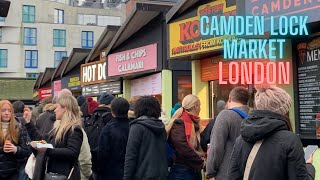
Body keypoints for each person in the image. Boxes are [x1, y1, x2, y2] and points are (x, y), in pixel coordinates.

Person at [228, 86, 316, 180]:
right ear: (284, 111)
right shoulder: (290, 140)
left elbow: (232, 176)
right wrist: (309, 166)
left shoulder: (241, 139)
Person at [24, 95, 83, 180]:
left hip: (64, 175)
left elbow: (72, 152)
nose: (55, 110)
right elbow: (41, 138)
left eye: (57, 107)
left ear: (65, 108)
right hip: (53, 175)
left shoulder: (74, 129)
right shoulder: (57, 128)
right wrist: (29, 123)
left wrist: (48, 150)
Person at [206, 87, 249, 179]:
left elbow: (216, 147)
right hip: (247, 172)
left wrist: (210, 171)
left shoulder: (225, 115)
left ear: (229, 98)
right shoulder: (252, 117)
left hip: (226, 173)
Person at [123, 96, 168, 180]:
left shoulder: (137, 127)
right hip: (161, 175)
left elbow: (131, 155)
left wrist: (126, 177)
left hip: (142, 175)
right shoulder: (161, 127)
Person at [166, 94, 205, 180]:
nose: (200, 109)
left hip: (193, 170)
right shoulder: (179, 123)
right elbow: (182, 147)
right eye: (200, 106)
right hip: (182, 171)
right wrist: (200, 161)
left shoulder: (194, 123)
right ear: (195, 106)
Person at [97, 97, 130, 180]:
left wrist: (99, 171)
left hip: (111, 172)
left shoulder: (107, 129)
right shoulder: (134, 126)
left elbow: (102, 153)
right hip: (130, 171)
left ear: (112, 111)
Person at [0, 100, 31, 180]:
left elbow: (27, 151)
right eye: (3, 110)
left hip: (13, 172)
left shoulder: (19, 127)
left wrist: (16, 149)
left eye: (9, 111)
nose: (7, 113)